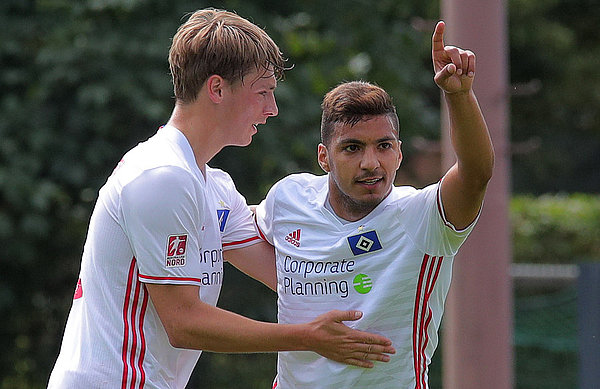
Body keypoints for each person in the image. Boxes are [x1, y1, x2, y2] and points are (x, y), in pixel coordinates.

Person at [47, 8, 395, 388]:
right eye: (262, 92)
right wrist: (306, 337)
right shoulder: (161, 177)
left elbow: (294, 276)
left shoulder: (214, 187)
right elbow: (184, 323)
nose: (272, 109)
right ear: (217, 89)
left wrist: (397, 257)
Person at [254, 21, 495, 388]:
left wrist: (458, 96)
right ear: (324, 157)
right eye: (352, 148)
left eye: (383, 146)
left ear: (398, 153)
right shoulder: (288, 199)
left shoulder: (420, 216)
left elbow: (476, 173)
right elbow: (227, 231)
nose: (370, 163)